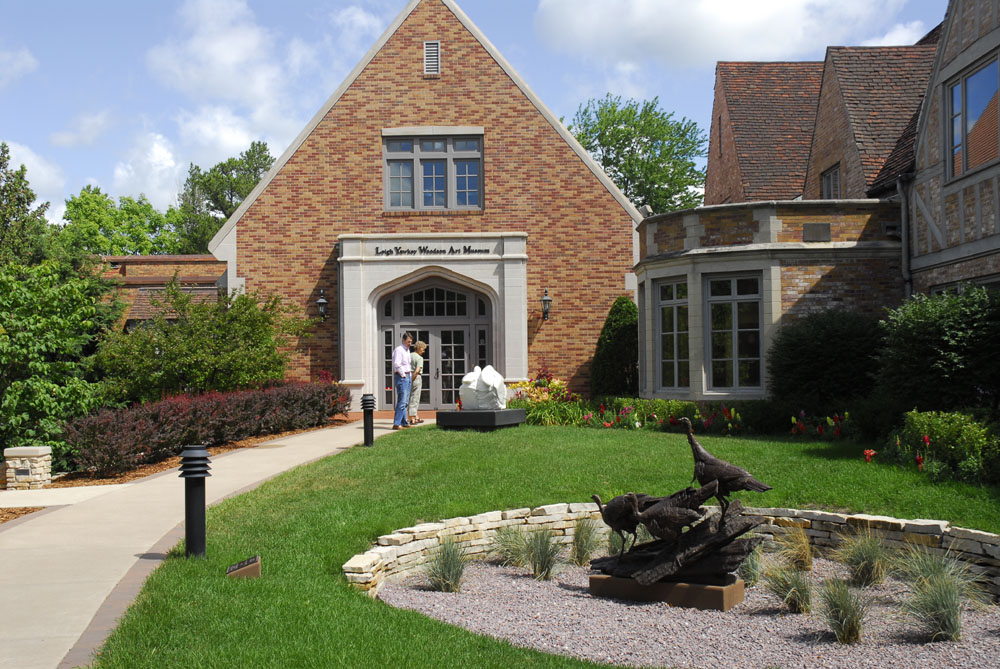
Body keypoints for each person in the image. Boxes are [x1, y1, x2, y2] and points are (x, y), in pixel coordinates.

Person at [392, 332, 413, 430]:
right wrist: (403, 375)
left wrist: (409, 375)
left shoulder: (407, 350)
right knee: (402, 400)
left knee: (405, 401)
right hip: (402, 376)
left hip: (407, 376)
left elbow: (407, 364)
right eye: (408, 341)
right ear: (403, 340)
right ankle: (396, 423)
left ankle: (404, 422)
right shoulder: (399, 350)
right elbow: (397, 364)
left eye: (411, 341)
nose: (410, 343)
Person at [408, 340, 427, 424]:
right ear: (419, 348)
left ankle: (415, 416)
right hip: (416, 377)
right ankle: (412, 418)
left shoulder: (409, 355)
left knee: (410, 397)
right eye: (423, 349)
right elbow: (417, 370)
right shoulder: (419, 358)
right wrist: (413, 378)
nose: (424, 351)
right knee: (415, 397)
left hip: (408, 376)